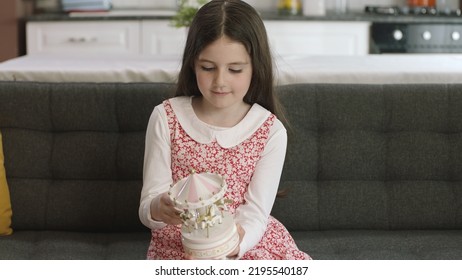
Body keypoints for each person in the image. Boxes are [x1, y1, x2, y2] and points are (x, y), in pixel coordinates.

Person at [139, 0, 311, 260]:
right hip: (179, 247)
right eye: (208, 68)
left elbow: (255, 212)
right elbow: (148, 204)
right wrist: (158, 209)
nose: (220, 81)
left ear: (255, 67)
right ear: (192, 64)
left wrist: (234, 247)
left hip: (243, 242)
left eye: (235, 69)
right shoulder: (166, 117)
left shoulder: (270, 131)